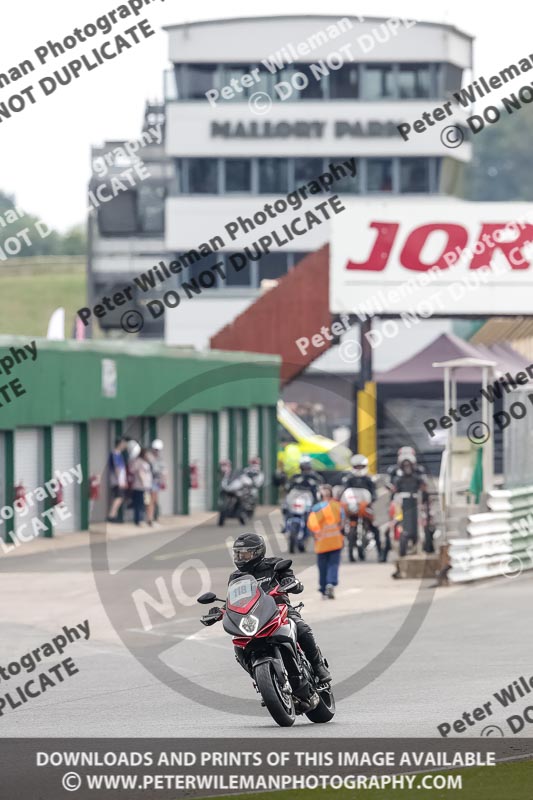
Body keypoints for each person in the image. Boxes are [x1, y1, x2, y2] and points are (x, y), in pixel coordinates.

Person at [227, 533, 331, 683]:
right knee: (239, 645)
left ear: (257, 552)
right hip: (252, 617)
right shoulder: (235, 577)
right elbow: (233, 599)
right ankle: (260, 678)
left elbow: (293, 581)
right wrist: (220, 610)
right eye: (237, 554)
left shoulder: (274, 565)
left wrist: (290, 581)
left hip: (279, 610)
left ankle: (318, 666)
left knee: (301, 628)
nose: (240, 558)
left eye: (244, 555)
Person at [340, 454, 383, 560]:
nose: (359, 469)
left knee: (375, 527)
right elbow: (345, 492)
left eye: (361, 467)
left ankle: (380, 552)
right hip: (352, 507)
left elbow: (374, 494)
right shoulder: (348, 479)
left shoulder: (369, 480)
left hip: (365, 507)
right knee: (340, 526)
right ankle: (338, 548)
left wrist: (371, 500)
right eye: (357, 467)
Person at [307, 485, 344, 599]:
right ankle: (330, 583)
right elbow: (342, 523)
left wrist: (316, 535)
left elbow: (311, 525)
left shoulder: (316, 509)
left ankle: (323, 588)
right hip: (335, 542)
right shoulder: (338, 506)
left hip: (321, 543)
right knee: (333, 564)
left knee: (322, 567)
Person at [282, 455, 324, 532]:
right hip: (296, 496)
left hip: (309, 498)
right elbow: (288, 487)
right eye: (303, 467)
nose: (305, 469)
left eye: (307, 467)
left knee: (317, 509)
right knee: (285, 506)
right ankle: (286, 524)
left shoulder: (315, 477)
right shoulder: (295, 476)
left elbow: (320, 487)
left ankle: (314, 526)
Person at [129, 448, 154, 526]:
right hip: (139, 487)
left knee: (146, 503)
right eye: (147, 454)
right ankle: (138, 520)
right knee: (139, 504)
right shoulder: (138, 462)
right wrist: (143, 483)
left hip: (146, 487)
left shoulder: (146, 462)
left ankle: (147, 519)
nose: (148, 456)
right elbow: (135, 471)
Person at [107, 438, 128, 522]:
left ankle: (114, 515)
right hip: (117, 480)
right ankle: (111, 515)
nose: (124, 445)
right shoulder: (114, 454)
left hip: (120, 479)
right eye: (123, 443)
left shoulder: (119, 454)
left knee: (118, 497)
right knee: (119, 497)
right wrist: (120, 481)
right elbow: (117, 468)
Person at [148, 438, 166, 526]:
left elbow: (163, 470)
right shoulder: (149, 457)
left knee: (154, 501)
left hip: (156, 482)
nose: (157, 451)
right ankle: (150, 519)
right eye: (156, 450)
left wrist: (163, 480)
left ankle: (154, 517)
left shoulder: (159, 458)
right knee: (151, 501)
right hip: (149, 482)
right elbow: (156, 470)